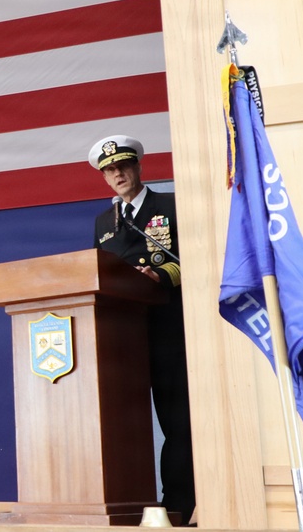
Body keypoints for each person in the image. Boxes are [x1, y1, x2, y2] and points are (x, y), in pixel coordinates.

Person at [89, 135, 195, 525]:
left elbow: (198, 259)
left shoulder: (168, 207)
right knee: (123, 427)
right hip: (123, 338)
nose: (118, 174)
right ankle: (128, 504)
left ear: (138, 167)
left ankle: (178, 505)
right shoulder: (103, 222)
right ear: (104, 178)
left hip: (167, 329)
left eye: (123, 166)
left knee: (177, 422)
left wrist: (160, 276)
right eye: (110, 170)